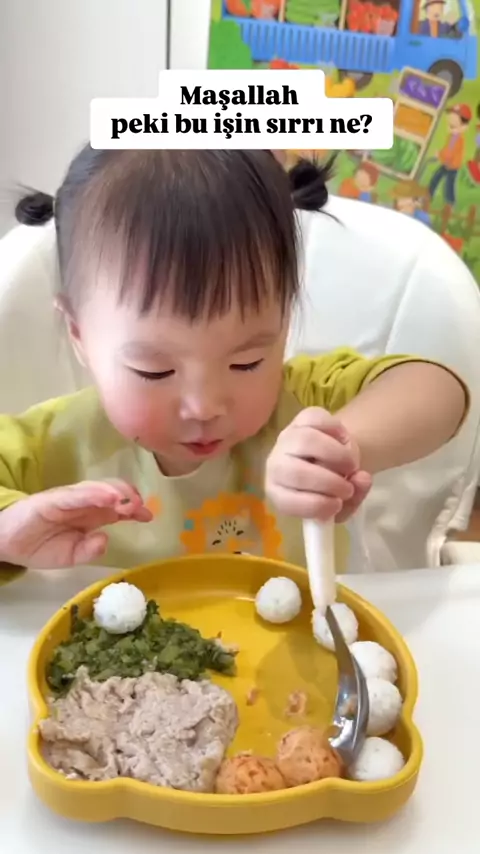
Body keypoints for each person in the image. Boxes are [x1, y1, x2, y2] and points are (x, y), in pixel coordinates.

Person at [0, 148, 468, 572]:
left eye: (247, 362)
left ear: (285, 319)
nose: (204, 406)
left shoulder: (299, 400)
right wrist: (8, 528)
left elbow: (436, 390)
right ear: (79, 334)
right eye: (155, 371)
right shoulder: (57, 441)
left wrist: (343, 444)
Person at [429, 103, 471, 206]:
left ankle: (449, 203)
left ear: (464, 127)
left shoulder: (458, 139)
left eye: (453, 126)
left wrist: (439, 155)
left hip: (452, 166)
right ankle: (429, 195)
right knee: (436, 178)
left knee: (448, 185)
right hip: (447, 164)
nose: (450, 128)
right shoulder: (451, 137)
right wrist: (440, 154)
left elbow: (450, 153)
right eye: (449, 125)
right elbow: (447, 149)